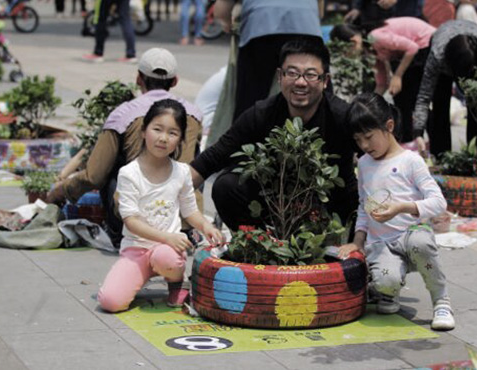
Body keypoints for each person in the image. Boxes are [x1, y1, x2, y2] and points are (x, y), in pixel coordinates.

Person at [190, 37, 359, 231]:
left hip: (328, 207)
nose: (301, 82)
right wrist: (163, 200)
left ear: (325, 81)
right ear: (280, 76)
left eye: (311, 75)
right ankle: (259, 245)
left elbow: (382, 155)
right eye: (292, 73)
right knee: (226, 185)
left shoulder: (342, 117)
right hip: (274, 205)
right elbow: (211, 159)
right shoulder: (261, 114)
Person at [47, 48, 203, 248]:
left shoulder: (124, 113)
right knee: (194, 162)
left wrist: (60, 191)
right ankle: (190, 230)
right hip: (182, 219)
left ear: (139, 79)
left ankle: (118, 234)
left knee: (110, 166)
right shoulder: (193, 115)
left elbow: (94, 175)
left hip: (136, 224)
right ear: (174, 81)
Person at [338, 92, 455, 331]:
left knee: (420, 244)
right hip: (382, 242)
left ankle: (441, 300)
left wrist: (403, 207)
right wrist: (358, 242)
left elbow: (438, 202)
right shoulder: (364, 163)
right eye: (358, 139)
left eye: (369, 137)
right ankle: (388, 292)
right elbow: (363, 206)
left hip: (413, 233)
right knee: (385, 281)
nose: (364, 146)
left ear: (388, 126)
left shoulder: (411, 161)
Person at [97, 99, 222, 312]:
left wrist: (207, 227)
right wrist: (167, 237)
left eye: (173, 133)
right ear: (144, 130)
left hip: (168, 250)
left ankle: (176, 281)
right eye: (157, 129)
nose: (163, 138)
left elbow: (190, 211)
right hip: (136, 249)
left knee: (167, 257)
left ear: (181, 139)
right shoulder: (129, 173)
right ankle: (139, 275)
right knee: (110, 302)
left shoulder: (182, 172)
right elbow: (131, 221)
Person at [330, 18, 436, 142]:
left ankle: (425, 142)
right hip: (409, 54)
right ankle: (408, 141)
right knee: (399, 96)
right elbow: (382, 82)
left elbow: (412, 48)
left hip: (425, 44)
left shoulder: (375, 37)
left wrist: (397, 76)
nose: (345, 57)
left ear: (353, 42)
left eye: (344, 52)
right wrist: (366, 105)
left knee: (414, 98)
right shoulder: (369, 50)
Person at [215, 0, 323, 121]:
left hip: (260, 28)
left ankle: (246, 136)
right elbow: (320, 9)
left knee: (251, 95)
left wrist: (226, 22)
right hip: (307, 25)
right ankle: (326, 134)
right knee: (315, 90)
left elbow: (222, 8)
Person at [412, 20, 477, 157]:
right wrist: (418, 132)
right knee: (440, 105)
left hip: (474, 58)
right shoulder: (437, 55)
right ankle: (442, 156)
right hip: (443, 53)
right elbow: (424, 96)